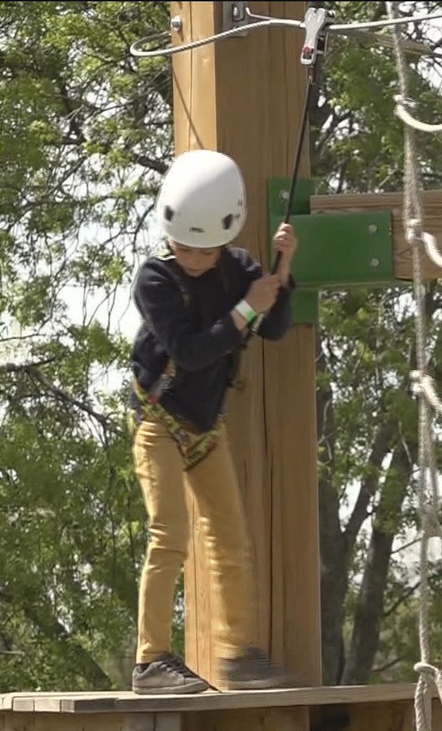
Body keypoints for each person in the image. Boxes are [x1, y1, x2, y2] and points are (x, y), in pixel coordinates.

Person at [127, 149, 295, 694]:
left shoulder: (239, 269)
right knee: (169, 535)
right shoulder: (154, 279)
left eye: (206, 249)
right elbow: (192, 351)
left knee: (231, 540)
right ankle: (151, 660)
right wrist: (247, 308)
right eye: (184, 246)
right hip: (160, 424)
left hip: (206, 429)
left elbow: (272, 330)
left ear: (226, 237)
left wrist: (281, 278)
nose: (195, 258)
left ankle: (239, 656)